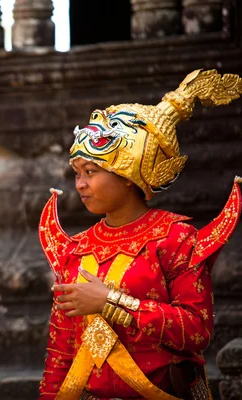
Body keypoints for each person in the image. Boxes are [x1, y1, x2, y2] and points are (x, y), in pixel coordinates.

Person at [38, 69, 242, 399]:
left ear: (129, 176)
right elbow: (61, 352)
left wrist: (110, 301)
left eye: (91, 172)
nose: (80, 184)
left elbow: (196, 331)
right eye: (77, 173)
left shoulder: (175, 238)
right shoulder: (75, 249)